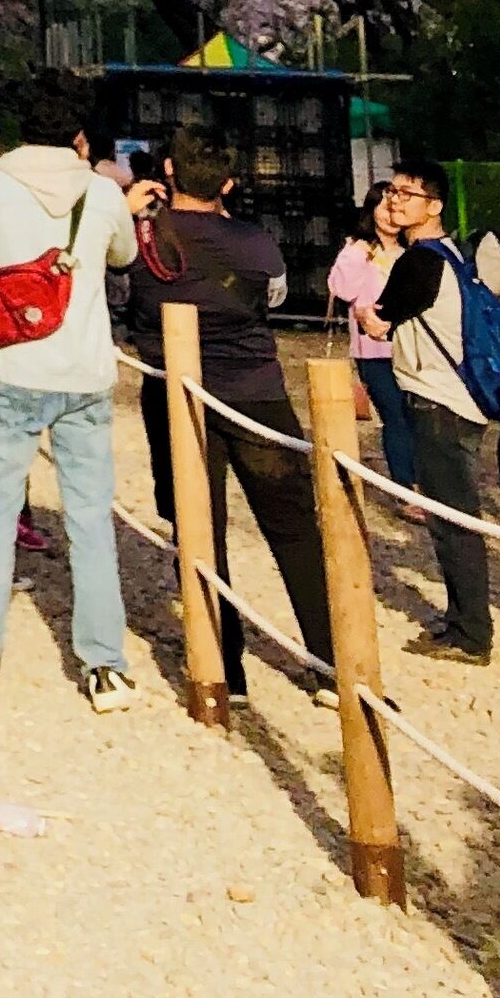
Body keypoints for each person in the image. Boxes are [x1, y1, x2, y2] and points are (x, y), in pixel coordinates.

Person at [0, 72, 141, 714]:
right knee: (90, 520)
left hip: (11, 370)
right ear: (77, 132)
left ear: (18, 127)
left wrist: (5, 304)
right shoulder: (102, 192)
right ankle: (105, 669)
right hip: (85, 374)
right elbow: (125, 255)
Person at [127, 136, 336, 702]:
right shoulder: (255, 241)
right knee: (293, 527)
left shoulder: (138, 237)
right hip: (256, 389)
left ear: (167, 171)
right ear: (227, 184)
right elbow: (274, 293)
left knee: (198, 530)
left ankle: (224, 669)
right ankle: (331, 665)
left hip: (174, 391)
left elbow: (120, 294)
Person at [376, 158, 500, 662]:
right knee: (453, 516)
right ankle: (459, 616)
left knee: (454, 521)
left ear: (434, 205)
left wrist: (370, 312)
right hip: (460, 399)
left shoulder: (420, 262)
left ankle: (473, 633)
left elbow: (380, 320)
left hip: (438, 401)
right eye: (392, 192)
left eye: (408, 194)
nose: (395, 201)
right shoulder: (453, 254)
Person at [328, 187, 415, 492]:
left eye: (395, 208)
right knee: (396, 414)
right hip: (374, 351)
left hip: (415, 349)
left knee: (420, 417)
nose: (390, 214)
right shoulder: (358, 249)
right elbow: (342, 290)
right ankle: (407, 487)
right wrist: (358, 254)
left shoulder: (414, 251)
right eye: (384, 207)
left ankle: (426, 483)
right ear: (372, 211)